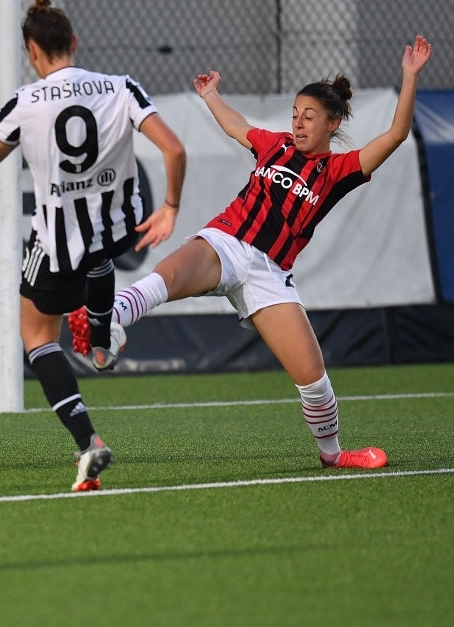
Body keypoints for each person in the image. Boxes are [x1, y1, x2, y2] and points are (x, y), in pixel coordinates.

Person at [88, 34, 432, 470]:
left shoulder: (338, 170)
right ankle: (108, 324)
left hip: (269, 273)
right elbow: (236, 125)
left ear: (332, 124)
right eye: (295, 115)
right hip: (227, 241)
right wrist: (211, 95)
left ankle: (333, 455)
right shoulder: (274, 145)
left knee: (314, 378)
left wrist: (409, 76)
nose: (299, 123)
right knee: (168, 276)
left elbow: (398, 133)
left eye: (309, 117)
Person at [0, 0, 187, 491]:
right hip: (117, 230)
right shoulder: (121, 87)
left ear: (32, 51)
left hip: (57, 242)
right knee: (98, 256)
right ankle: (103, 336)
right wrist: (170, 206)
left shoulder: (25, 102)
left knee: (37, 336)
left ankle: (89, 443)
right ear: (73, 42)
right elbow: (174, 148)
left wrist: (3, 148)